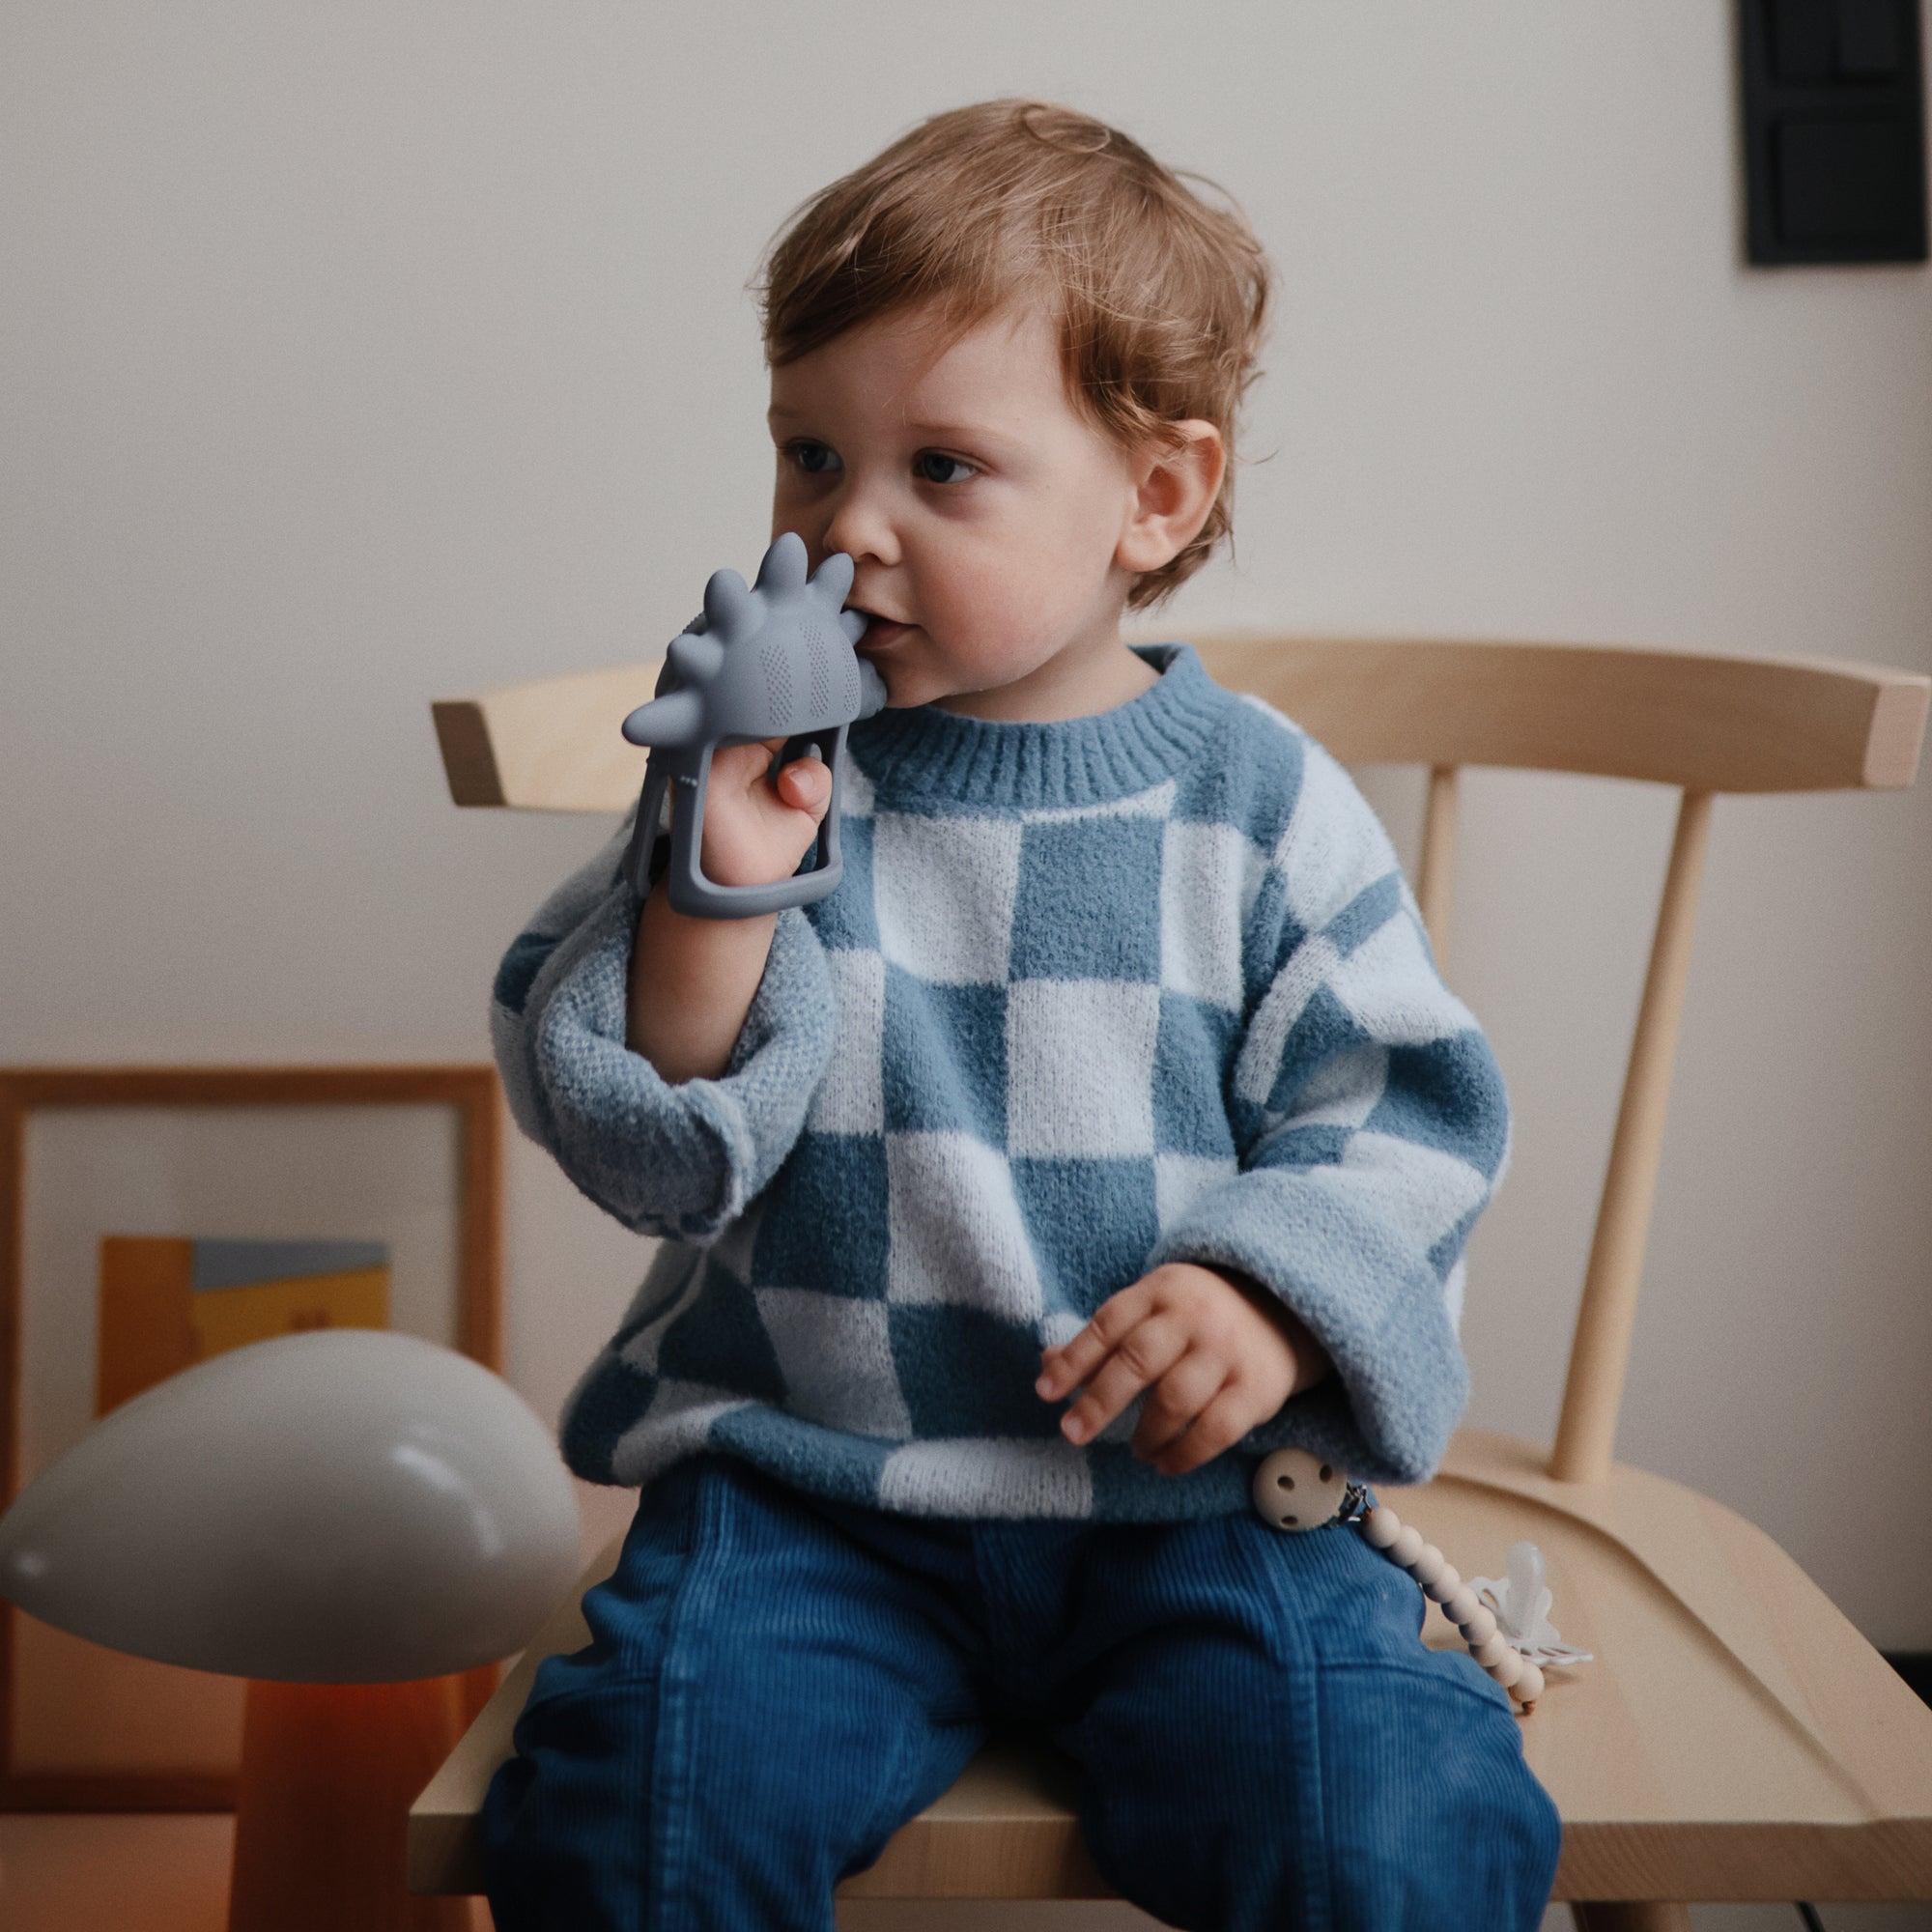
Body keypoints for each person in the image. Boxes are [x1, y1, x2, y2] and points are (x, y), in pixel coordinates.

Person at [481, 98, 1561, 1931]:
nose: (851, 530)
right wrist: (714, 878)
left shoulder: (1255, 798)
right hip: (818, 1497)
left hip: (1199, 1510)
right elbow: (649, 1144)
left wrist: (1268, 1296)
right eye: (810, 458)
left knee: (1376, 1813)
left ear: (1157, 495)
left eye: (943, 470)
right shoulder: (774, 779)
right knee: (648, 1796)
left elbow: (1397, 1111)